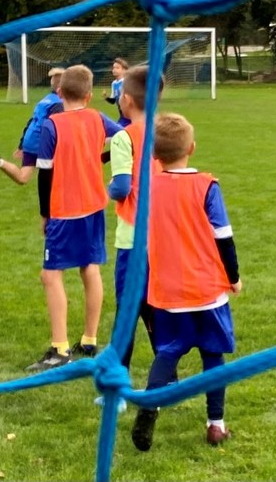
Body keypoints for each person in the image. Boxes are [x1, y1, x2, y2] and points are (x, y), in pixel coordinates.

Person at [132, 112, 241, 452]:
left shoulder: (148, 189)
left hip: (166, 290)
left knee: (167, 352)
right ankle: (216, 425)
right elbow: (223, 237)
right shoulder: (207, 185)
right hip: (207, 289)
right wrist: (234, 277)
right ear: (192, 147)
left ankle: (151, 403)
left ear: (154, 155)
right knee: (213, 355)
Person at [27, 64, 109, 372]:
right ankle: (89, 338)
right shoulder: (98, 118)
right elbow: (126, 138)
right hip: (94, 207)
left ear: (59, 92)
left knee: (51, 275)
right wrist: (100, 157)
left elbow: (44, 174)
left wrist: (45, 214)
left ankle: (59, 348)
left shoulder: (53, 125)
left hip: (64, 209)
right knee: (90, 269)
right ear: (89, 95)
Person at [105, 65, 161, 376]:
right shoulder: (166, 130)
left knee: (127, 311)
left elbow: (122, 186)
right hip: (163, 234)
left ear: (125, 99)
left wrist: (109, 189)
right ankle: (167, 375)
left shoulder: (123, 137)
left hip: (133, 238)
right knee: (157, 307)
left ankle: (118, 378)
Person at [0, 67, 66, 191]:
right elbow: (56, 126)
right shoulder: (58, 104)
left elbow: (31, 122)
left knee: (23, 177)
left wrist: (22, 145)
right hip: (41, 142)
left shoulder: (45, 100)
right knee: (61, 173)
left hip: (30, 140)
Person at [102, 58, 130, 127]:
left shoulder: (127, 82)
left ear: (124, 70)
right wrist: (106, 97)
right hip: (123, 116)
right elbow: (113, 101)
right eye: (113, 67)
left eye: (117, 68)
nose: (114, 69)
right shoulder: (114, 83)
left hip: (130, 116)